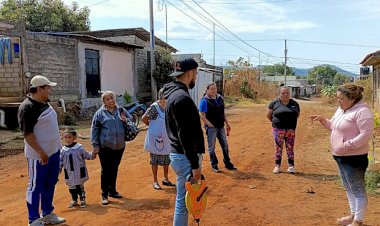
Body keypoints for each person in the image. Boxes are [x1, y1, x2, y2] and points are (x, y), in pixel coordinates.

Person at [308, 84, 373, 226]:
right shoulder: (342, 109)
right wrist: (323, 120)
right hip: (340, 156)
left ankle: (358, 221)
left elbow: (366, 135)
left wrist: (347, 145)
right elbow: (333, 126)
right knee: (349, 187)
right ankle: (353, 216)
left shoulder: (362, 111)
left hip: (354, 158)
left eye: (341, 98)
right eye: (338, 98)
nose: (338, 101)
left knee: (358, 190)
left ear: (352, 99)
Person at [17, 75, 65, 226]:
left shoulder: (45, 103)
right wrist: (41, 153)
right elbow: (28, 135)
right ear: (39, 89)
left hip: (54, 153)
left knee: (50, 183)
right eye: (48, 88)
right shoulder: (27, 108)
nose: (50, 90)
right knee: (35, 186)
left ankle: (47, 213)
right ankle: (33, 219)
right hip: (39, 156)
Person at [163, 58, 205, 226]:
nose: (196, 77)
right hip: (185, 157)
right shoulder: (182, 98)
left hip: (178, 154)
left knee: (185, 201)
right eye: (195, 73)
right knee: (184, 202)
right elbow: (185, 135)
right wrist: (195, 166)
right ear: (189, 73)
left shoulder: (172, 94)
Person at [90, 91, 131, 205]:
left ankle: (112, 191)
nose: (110, 101)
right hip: (105, 146)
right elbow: (94, 130)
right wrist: (95, 145)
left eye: (112, 98)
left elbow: (132, 122)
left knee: (114, 168)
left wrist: (126, 120)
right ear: (104, 102)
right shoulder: (100, 114)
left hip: (120, 146)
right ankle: (104, 194)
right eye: (107, 99)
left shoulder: (121, 110)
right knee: (106, 170)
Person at [142, 88, 175, 190]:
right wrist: (152, 127)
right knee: (155, 160)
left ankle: (165, 179)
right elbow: (144, 119)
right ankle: (155, 181)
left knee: (166, 159)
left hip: (166, 137)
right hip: (155, 137)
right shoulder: (154, 107)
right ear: (162, 96)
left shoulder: (169, 107)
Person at [199, 82, 236, 173]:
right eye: (211, 89)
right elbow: (201, 114)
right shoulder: (205, 101)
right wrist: (209, 124)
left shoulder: (220, 98)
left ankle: (227, 162)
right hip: (211, 128)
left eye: (214, 88)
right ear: (207, 90)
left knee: (225, 145)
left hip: (220, 126)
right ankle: (214, 164)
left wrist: (227, 123)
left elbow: (222, 113)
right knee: (212, 147)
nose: (213, 90)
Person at [59, 127, 98, 208]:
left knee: (79, 186)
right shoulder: (63, 150)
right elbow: (60, 162)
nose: (67, 139)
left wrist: (93, 153)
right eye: (65, 137)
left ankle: (82, 199)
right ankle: (74, 200)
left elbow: (87, 155)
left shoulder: (79, 148)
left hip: (79, 172)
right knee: (71, 188)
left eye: (69, 137)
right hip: (69, 173)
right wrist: (57, 171)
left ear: (74, 137)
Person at [267, 86, 300, 174]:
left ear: (290, 94)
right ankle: (277, 166)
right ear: (279, 94)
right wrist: (276, 123)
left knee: (290, 148)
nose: (285, 95)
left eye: (287, 93)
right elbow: (269, 115)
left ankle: (291, 166)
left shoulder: (295, 103)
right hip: (278, 130)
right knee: (278, 148)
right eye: (283, 93)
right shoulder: (274, 103)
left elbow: (297, 115)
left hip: (290, 130)